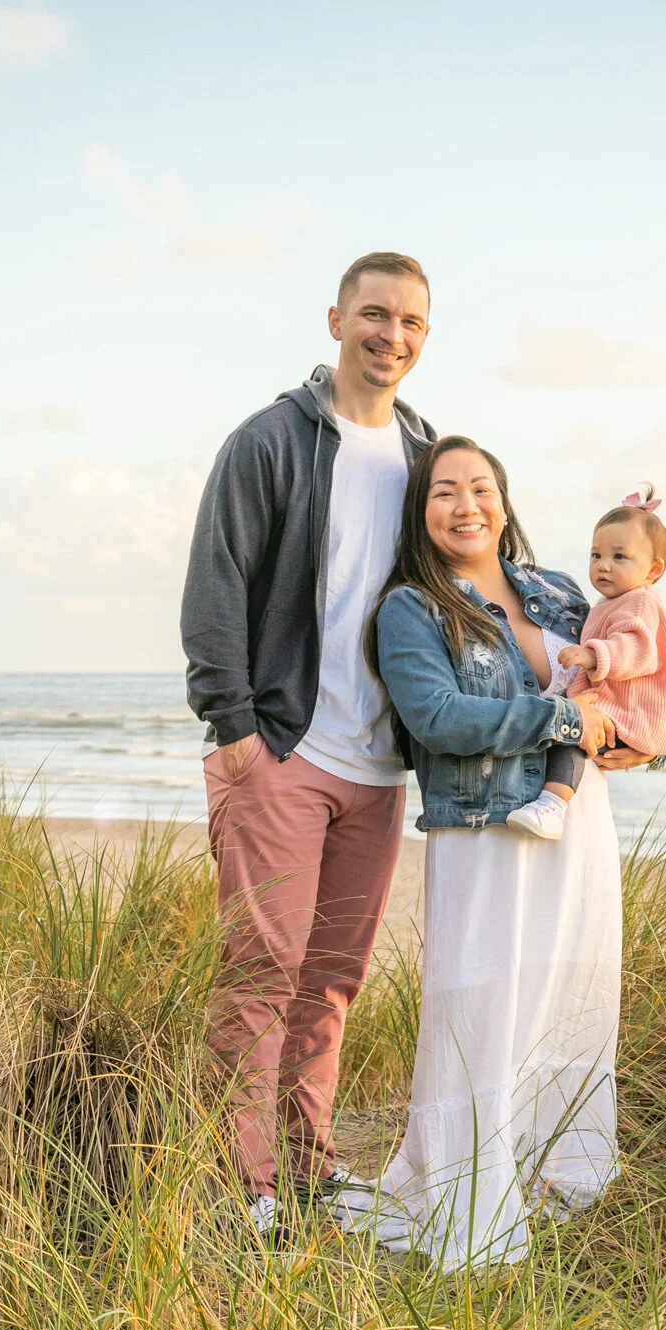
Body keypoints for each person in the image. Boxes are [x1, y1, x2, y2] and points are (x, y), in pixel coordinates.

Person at [180, 251, 437, 1239]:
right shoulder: (270, 440)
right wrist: (236, 729)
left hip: (379, 772)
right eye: (375, 315)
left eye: (410, 323)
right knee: (261, 974)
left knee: (331, 979)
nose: (391, 336)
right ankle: (242, 1179)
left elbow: (487, 574)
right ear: (335, 319)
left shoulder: (425, 456)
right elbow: (215, 585)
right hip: (283, 752)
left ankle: (308, 1160)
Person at [359, 437, 644, 1269]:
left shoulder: (557, 590)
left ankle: (554, 1179)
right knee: (478, 1012)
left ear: (504, 499)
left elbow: (624, 685)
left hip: (575, 822)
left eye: (481, 487)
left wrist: (637, 741)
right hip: (483, 830)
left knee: (566, 996)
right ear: (422, 512)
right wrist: (561, 723)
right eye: (444, 491)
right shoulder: (410, 609)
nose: (467, 504)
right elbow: (439, 718)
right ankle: (468, 1200)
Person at [508, 484, 666, 840]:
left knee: (571, 735)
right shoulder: (610, 602)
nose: (603, 566)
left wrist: (592, 654)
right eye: (595, 555)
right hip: (616, 707)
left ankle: (553, 805)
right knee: (569, 727)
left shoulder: (640, 601)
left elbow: (637, 648)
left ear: (653, 569)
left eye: (619, 557)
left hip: (628, 713)